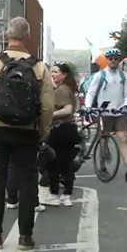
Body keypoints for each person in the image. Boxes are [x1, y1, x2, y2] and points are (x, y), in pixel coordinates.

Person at [0, 17, 54, 251]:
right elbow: (48, 105)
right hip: (27, 131)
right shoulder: (39, 67)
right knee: (28, 181)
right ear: (28, 37)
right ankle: (25, 237)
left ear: (6, 35)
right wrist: (43, 129)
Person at [84, 48, 127, 182]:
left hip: (119, 112)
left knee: (123, 138)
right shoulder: (100, 75)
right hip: (104, 112)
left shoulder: (122, 76)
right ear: (107, 60)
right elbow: (91, 92)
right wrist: (89, 107)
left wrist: (126, 105)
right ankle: (102, 165)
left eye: (115, 58)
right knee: (104, 139)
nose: (113, 61)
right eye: (111, 59)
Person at [44, 62, 81, 207]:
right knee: (65, 164)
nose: (53, 74)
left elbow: (67, 109)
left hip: (60, 129)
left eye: (56, 72)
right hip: (68, 129)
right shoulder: (66, 89)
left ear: (64, 75)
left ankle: (56, 193)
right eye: (52, 72)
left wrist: (50, 115)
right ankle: (66, 193)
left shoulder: (62, 90)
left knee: (54, 163)